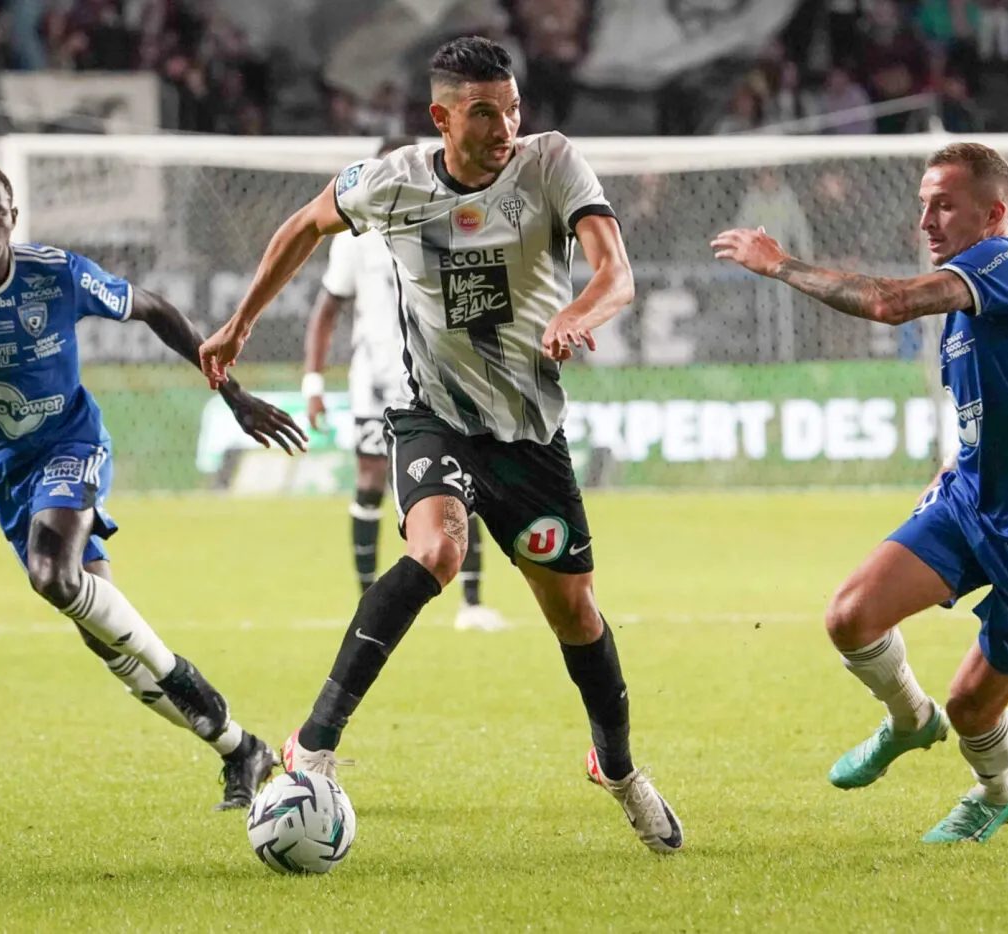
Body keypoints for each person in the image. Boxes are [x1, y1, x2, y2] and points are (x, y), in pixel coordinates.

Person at [199, 36, 682, 854]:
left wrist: (577, 315)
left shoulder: (553, 163)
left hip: (529, 437)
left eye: (514, 108)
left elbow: (617, 273)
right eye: (487, 112)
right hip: (434, 417)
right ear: (443, 117)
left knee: (575, 614)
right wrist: (240, 323)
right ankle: (312, 745)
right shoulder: (393, 180)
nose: (506, 127)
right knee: (438, 550)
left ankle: (620, 768)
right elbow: (305, 223)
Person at [0, 159, 307, 811]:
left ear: (13, 217)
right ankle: (239, 747)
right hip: (5, 477)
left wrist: (231, 394)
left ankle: (207, 698)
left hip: (71, 445)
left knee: (52, 576)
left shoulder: (54, 273)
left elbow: (152, 308)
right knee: (100, 631)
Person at [712, 142, 1008, 843]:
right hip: (973, 500)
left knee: (973, 711)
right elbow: (994, 413)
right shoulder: (967, 311)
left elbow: (888, 302)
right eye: (923, 203)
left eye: (944, 205)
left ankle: (997, 790)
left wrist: (777, 263)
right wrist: (951, 477)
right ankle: (908, 719)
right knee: (850, 616)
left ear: (992, 213)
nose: (926, 219)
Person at [303, 135, 508, 632]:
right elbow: (328, 306)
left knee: (462, 480)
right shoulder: (355, 234)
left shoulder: (447, 223)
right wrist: (313, 381)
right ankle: (367, 601)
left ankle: (473, 602)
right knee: (370, 480)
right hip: (375, 381)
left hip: (439, 378)